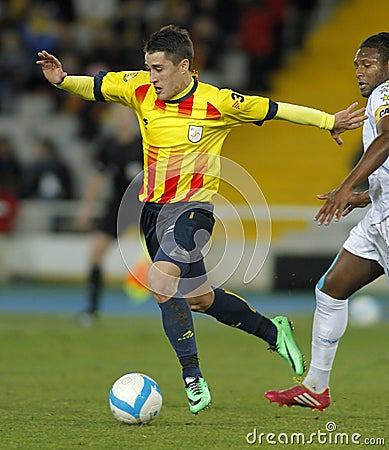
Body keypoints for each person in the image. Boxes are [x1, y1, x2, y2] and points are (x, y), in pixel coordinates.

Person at [36, 24, 365, 415]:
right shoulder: (138, 88)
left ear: (184, 66)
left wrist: (330, 122)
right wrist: (62, 81)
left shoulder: (218, 102)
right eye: (148, 67)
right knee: (198, 298)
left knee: (159, 280)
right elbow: (97, 86)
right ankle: (272, 331)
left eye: (159, 68)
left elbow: (275, 109)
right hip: (151, 213)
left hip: (193, 211)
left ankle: (192, 377)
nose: (152, 76)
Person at [265, 32, 389, 411]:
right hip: (379, 217)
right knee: (331, 290)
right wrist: (363, 197)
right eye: (356, 65)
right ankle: (316, 387)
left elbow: (388, 141)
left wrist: (343, 186)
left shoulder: (386, 96)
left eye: (368, 64)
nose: (359, 72)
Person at [76, 104, 143, 325]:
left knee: (168, 257)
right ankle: (91, 310)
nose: (121, 119)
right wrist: (86, 207)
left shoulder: (144, 143)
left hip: (144, 205)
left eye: (125, 115)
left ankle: (183, 306)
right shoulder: (108, 146)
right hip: (116, 206)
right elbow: (97, 178)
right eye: (117, 115)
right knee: (95, 253)